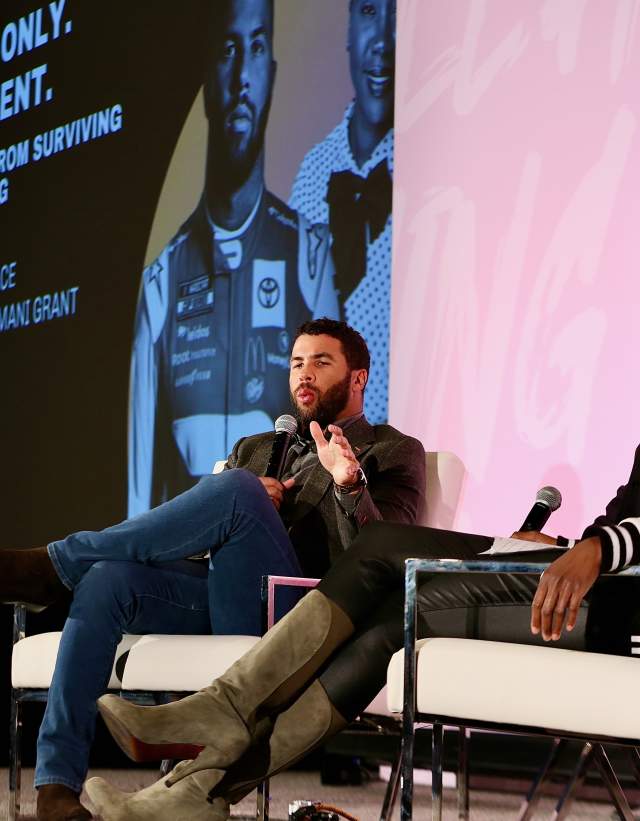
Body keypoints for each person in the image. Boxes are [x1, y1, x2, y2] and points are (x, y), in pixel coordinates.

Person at [2, 318, 424, 821]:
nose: (304, 374)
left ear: (358, 378)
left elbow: (384, 553)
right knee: (106, 580)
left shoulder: (391, 450)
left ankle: (54, 565)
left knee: (239, 490)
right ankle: (56, 786)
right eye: (296, 363)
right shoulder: (255, 448)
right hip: (227, 593)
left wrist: (348, 485)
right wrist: (244, 505)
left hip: (305, 616)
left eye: (320, 362)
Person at [86, 448, 640, 821]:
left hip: (622, 613)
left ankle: (215, 731)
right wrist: (574, 545)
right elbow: (626, 513)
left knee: (384, 561)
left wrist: (597, 549)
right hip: (598, 576)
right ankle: (197, 788)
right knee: (387, 613)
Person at [129, 0, 340, 518]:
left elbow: (341, 441)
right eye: (227, 50)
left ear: (271, 74)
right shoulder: (161, 281)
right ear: (207, 77)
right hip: (191, 544)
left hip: (279, 539)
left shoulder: (309, 256)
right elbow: (139, 496)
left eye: (257, 48)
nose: (242, 75)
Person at [290, 0, 395, 425]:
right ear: (348, 30)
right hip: (318, 435)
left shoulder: (436, 163)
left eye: (397, 15)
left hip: (385, 432)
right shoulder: (313, 172)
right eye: (369, 12)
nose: (383, 40)